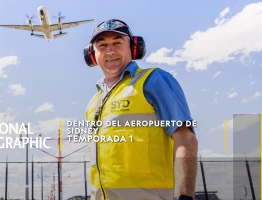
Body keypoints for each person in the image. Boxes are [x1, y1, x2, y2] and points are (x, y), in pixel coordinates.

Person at [83, 19, 198, 200]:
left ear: (134, 48)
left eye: (117, 43)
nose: (110, 51)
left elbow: (185, 138)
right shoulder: (94, 102)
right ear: (92, 54)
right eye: (102, 45)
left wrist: (184, 196)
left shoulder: (153, 80)